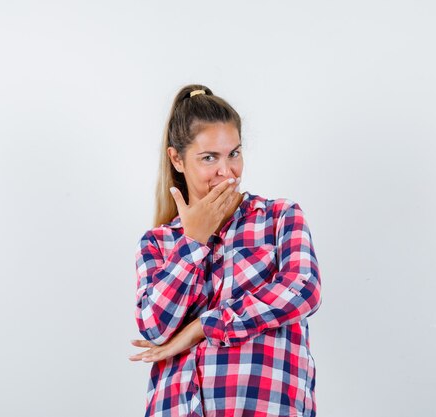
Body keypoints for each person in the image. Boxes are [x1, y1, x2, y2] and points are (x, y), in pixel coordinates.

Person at [128, 84, 322, 417]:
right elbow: (154, 328)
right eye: (209, 158)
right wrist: (193, 241)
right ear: (177, 159)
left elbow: (303, 289)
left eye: (234, 153)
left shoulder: (279, 217)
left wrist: (203, 327)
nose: (226, 171)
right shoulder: (158, 242)